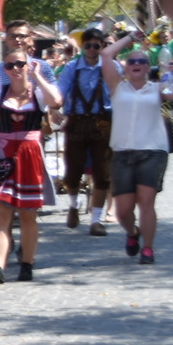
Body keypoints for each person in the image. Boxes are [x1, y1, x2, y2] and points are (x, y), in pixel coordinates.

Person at [0, 50, 62, 284]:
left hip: (29, 155)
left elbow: (56, 101)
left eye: (20, 64)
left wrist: (38, 76)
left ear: (28, 66)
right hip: (3, 155)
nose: (15, 68)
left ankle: (27, 263)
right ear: (5, 69)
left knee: (28, 216)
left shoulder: (38, 93)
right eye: (10, 65)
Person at [101, 34, 173, 263]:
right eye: (132, 62)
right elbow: (106, 54)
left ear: (149, 67)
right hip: (122, 153)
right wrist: (130, 38)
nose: (137, 64)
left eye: (141, 62)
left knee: (146, 202)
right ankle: (132, 233)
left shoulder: (157, 88)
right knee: (123, 210)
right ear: (125, 68)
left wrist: (171, 70)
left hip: (152, 152)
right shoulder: (117, 87)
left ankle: (148, 248)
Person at [56, 28, 114, 235]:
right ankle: (74, 205)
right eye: (88, 45)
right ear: (82, 47)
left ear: (102, 47)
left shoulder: (111, 66)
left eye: (96, 45)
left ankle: (96, 220)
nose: (91, 49)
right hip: (76, 122)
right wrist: (54, 107)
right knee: (72, 171)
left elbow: (121, 91)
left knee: (103, 173)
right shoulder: (72, 67)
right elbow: (59, 91)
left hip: (103, 123)